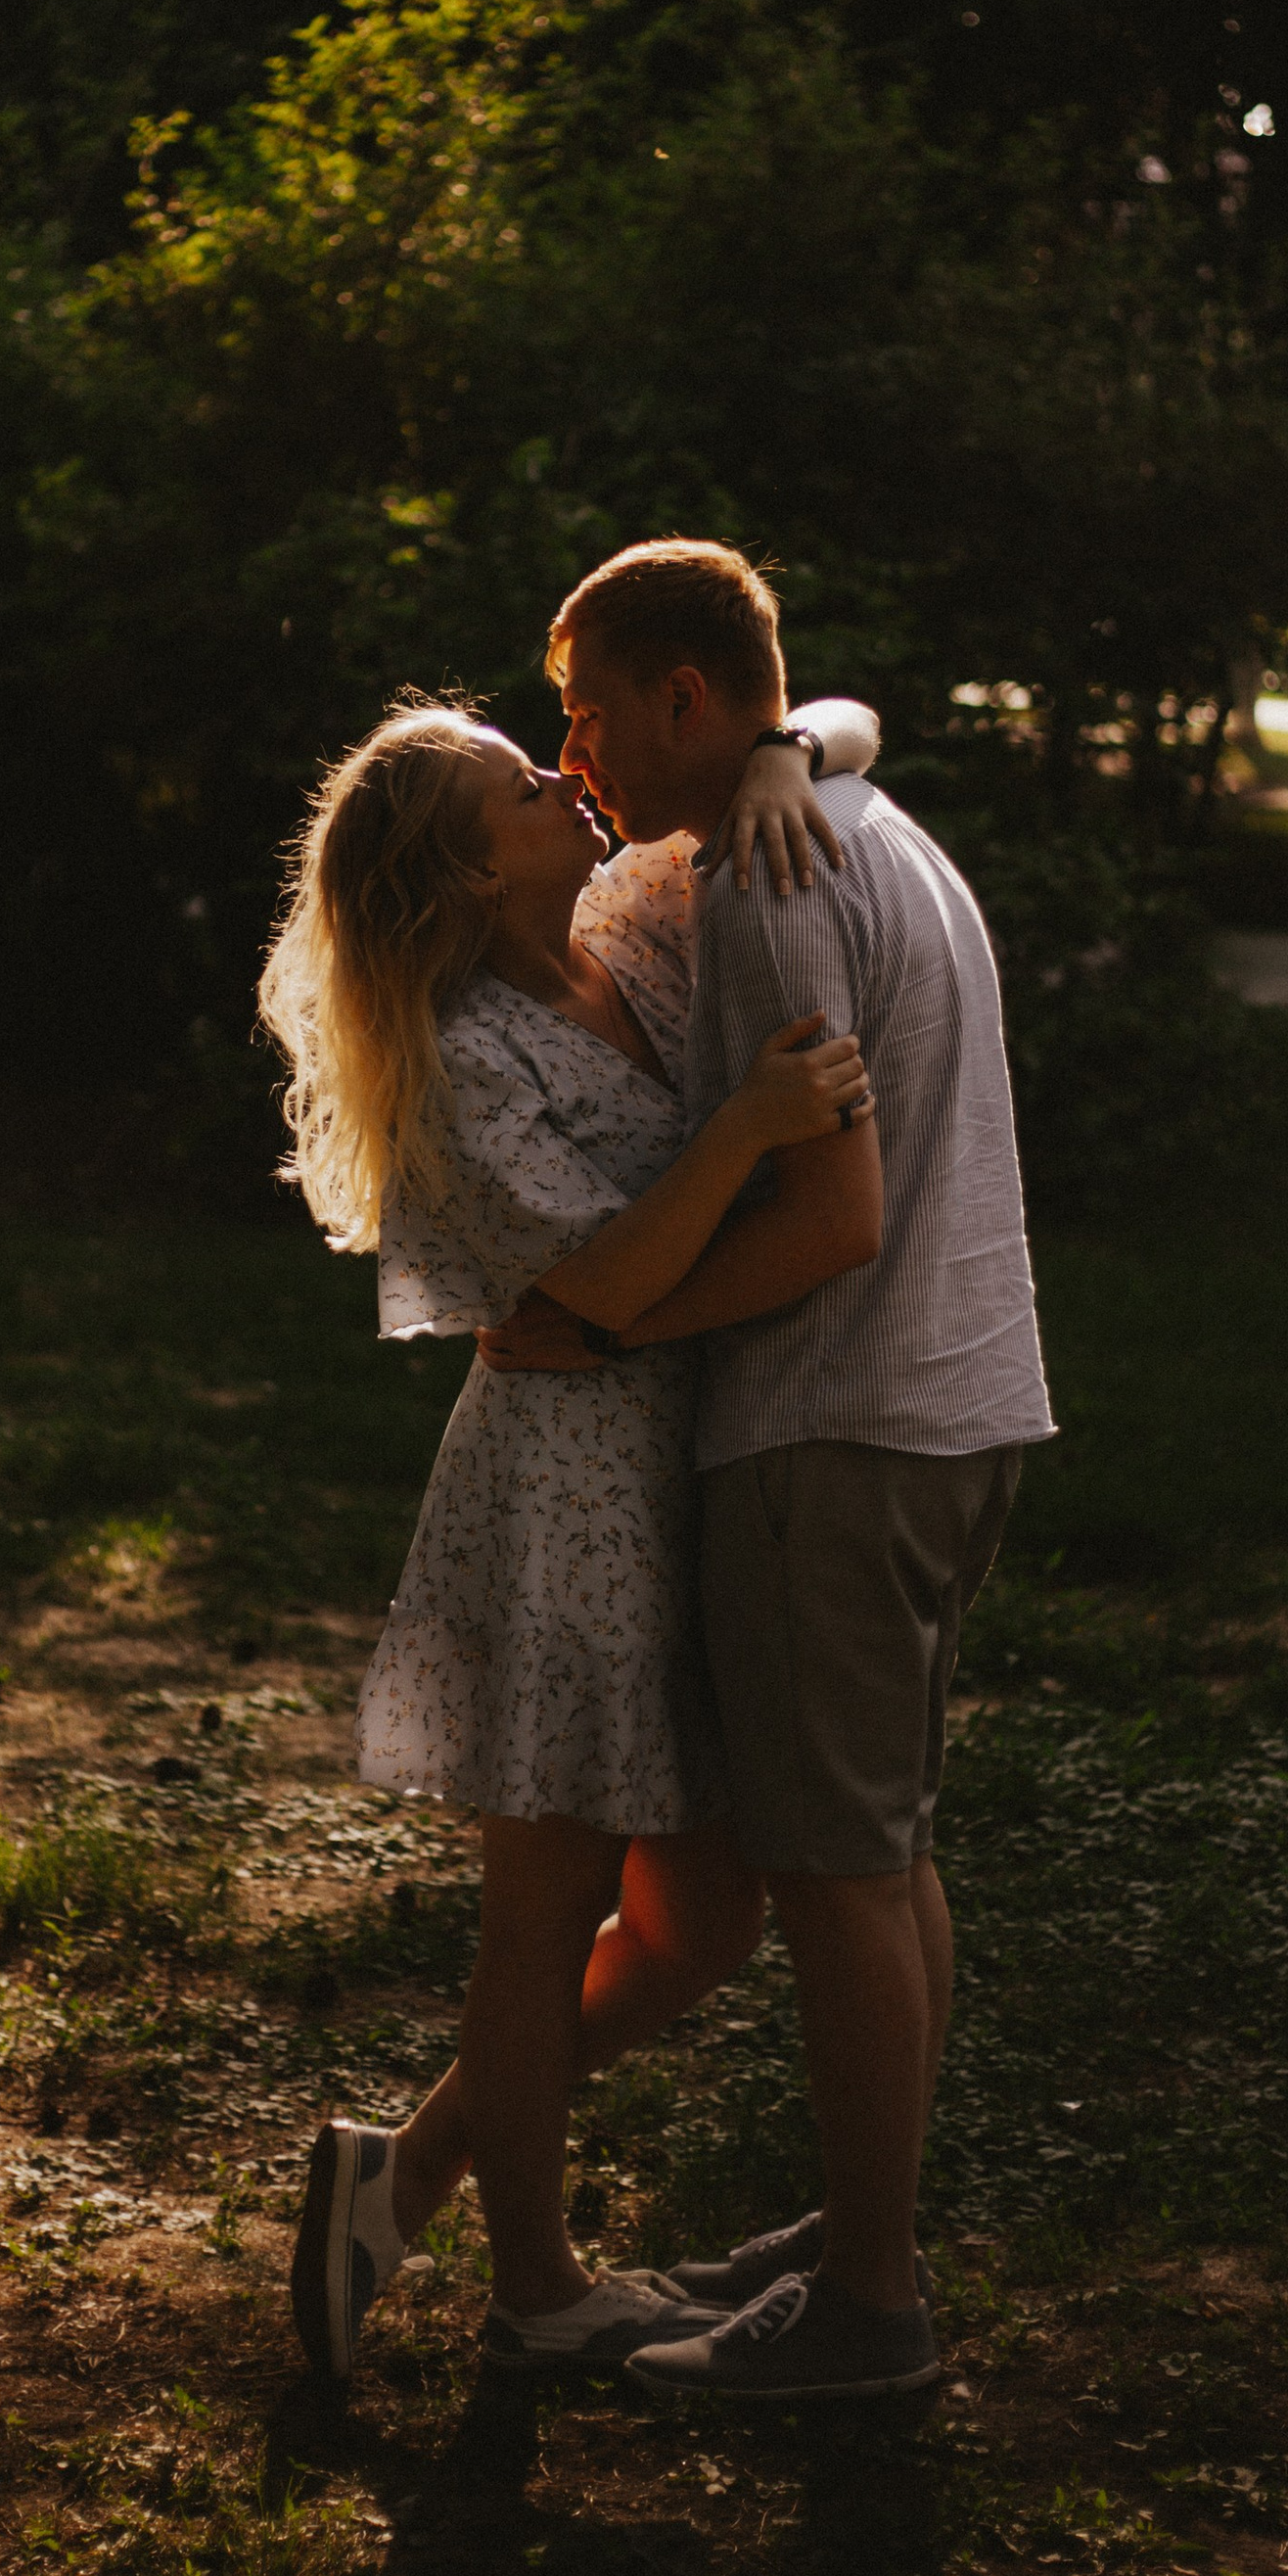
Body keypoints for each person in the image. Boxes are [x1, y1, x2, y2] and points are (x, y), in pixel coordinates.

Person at [479, 539, 1054, 2403]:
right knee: (882, 1858)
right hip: (954, 1410)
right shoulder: (853, 811)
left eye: (587, 710)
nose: (573, 753)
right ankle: (858, 2226)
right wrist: (803, 744)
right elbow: (827, 723)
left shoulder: (769, 880)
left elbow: (832, 1220)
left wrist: (620, 1327)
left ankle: (871, 2312)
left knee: (831, 1882)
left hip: (836, 1431)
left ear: (683, 700)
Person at [258, 691, 880, 2375]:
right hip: (564, 1503)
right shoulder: (464, 1053)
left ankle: (407, 2173)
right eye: (522, 789)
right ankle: (533, 2290)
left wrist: (776, 755)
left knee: (702, 1923)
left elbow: (847, 717)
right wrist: (747, 1129)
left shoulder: (625, 932)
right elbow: (602, 1288)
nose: (563, 780)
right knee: (542, 1917)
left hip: (678, 1469)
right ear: (465, 880)